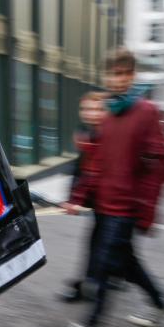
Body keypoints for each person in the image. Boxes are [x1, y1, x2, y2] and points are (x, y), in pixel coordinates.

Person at [53, 49, 164, 327]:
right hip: (103, 207)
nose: (117, 79)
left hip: (126, 209)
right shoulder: (107, 115)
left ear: (132, 76)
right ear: (106, 76)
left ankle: (90, 326)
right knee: (127, 264)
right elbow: (94, 165)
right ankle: (160, 302)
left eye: (123, 74)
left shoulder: (147, 112)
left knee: (105, 263)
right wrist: (77, 197)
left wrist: (146, 210)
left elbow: (159, 165)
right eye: (113, 74)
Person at [58, 90, 109, 303]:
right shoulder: (87, 133)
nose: (91, 113)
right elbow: (79, 168)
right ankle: (92, 284)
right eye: (86, 108)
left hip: (114, 203)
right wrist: (72, 198)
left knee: (104, 247)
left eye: (97, 109)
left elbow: (94, 174)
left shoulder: (107, 136)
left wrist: (76, 200)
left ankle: (92, 287)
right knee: (100, 246)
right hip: (101, 204)